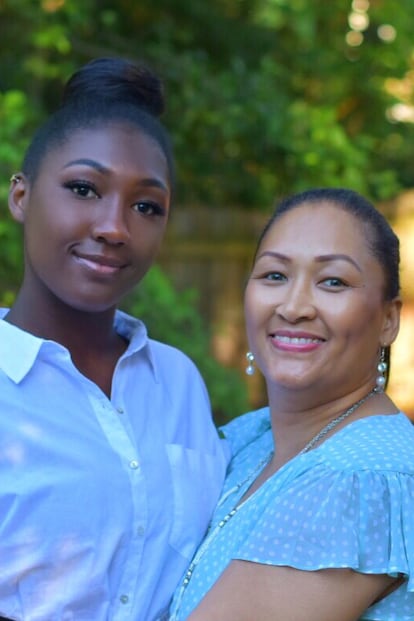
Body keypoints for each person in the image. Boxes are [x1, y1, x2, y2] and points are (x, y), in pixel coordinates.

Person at [0, 57, 229, 621]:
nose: (114, 227)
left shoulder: (178, 384)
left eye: (146, 206)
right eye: (83, 188)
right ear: (21, 196)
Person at [169, 187, 414, 621]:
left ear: (388, 319)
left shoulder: (358, 478)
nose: (294, 306)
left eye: (333, 281)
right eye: (275, 276)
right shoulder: (252, 440)